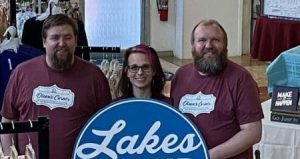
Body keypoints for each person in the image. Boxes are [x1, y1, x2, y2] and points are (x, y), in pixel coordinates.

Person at [0, 14, 112, 159]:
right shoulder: (21, 73)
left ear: (76, 41)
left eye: (67, 37)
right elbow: (8, 121)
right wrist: (10, 155)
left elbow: (107, 124)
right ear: (44, 41)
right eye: (55, 38)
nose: (61, 43)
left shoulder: (94, 76)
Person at [170, 19, 264, 159]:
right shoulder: (181, 76)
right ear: (193, 45)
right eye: (202, 40)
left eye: (215, 40)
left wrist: (207, 156)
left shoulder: (241, 79)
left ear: (225, 45)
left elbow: (253, 132)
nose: (208, 45)